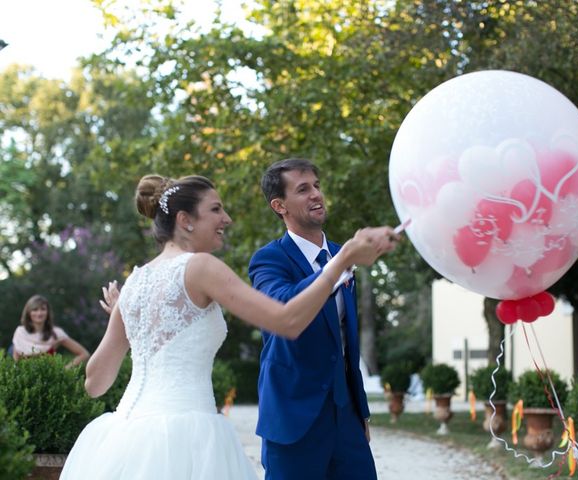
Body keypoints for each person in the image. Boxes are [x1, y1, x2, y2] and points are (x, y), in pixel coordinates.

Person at [60, 174, 399, 479]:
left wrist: (131, 323)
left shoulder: (134, 283)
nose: (227, 219)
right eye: (216, 210)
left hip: (123, 440)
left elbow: (95, 383)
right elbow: (288, 321)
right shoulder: (201, 267)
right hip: (189, 439)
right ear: (185, 220)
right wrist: (342, 260)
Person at [248, 158, 383, 480]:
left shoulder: (340, 253)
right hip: (294, 418)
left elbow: (346, 344)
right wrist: (339, 265)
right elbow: (284, 306)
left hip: (345, 417)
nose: (316, 195)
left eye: (317, 186)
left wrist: (359, 411)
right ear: (279, 206)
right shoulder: (269, 259)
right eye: (303, 189)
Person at [12, 294, 89, 368]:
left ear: (48, 312)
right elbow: (16, 363)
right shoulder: (20, 332)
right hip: (26, 380)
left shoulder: (56, 333)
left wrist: (65, 370)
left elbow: (84, 354)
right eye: (35, 309)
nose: (39, 313)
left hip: (48, 380)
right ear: (28, 313)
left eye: (43, 309)